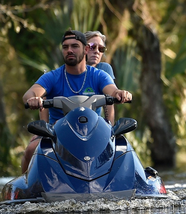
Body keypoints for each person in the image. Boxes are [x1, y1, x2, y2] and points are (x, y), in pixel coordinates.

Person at [20, 30, 133, 173]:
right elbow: (29, 94)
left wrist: (120, 93)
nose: (69, 50)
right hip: (58, 135)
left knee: (122, 146)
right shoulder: (53, 77)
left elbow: (112, 90)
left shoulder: (99, 75)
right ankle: (24, 184)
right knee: (31, 148)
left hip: (93, 134)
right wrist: (33, 98)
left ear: (85, 49)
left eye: (74, 46)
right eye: (65, 47)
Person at [84, 30, 115, 124]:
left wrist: (110, 131)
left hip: (94, 125)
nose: (97, 51)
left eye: (101, 49)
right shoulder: (68, 70)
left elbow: (109, 102)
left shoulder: (104, 69)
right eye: (92, 47)